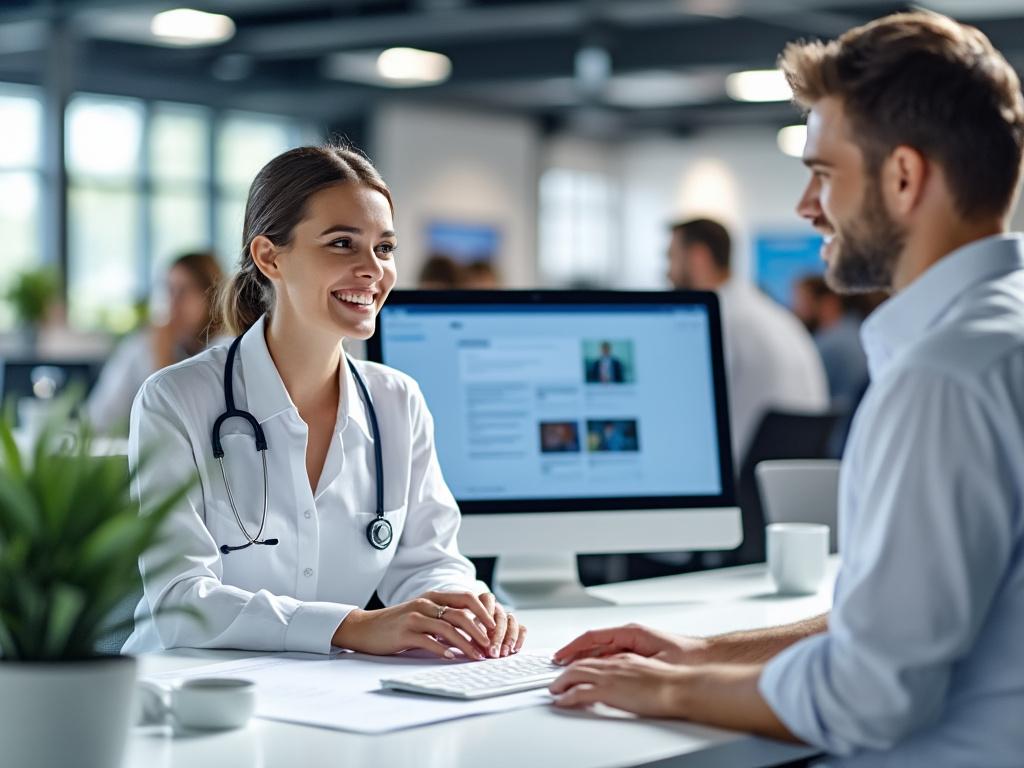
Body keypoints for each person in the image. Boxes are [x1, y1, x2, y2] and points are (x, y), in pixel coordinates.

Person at [551, 11, 1024, 766]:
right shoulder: (998, 337)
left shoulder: (943, 377)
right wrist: (699, 652)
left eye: (824, 173)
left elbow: (869, 694)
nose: (808, 206)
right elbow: (891, 622)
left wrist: (659, 692)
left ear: (904, 177)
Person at [123, 145, 524, 660]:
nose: (372, 270)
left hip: (325, 697)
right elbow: (180, 600)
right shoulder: (176, 400)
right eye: (342, 244)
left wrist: (466, 609)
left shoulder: (396, 401)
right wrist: (351, 627)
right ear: (270, 257)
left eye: (384, 248)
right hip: (186, 697)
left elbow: (429, 562)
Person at [667, 218, 828, 461]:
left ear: (698, 257)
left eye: (671, 257)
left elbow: (684, 413)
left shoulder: (720, 319)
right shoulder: (767, 312)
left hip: (744, 477)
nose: (668, 272)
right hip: (784, 476)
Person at [86, 251, 224, 434]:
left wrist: (163, 362)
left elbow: (192, 428)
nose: (172, 303)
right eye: (169, 290)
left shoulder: (227, 349)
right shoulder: (142, 346)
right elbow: (99, 418)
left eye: (183, 292)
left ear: (211, 295)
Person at [792, 275, 869, 411]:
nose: (796, 309)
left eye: (802, 301)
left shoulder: (830, 344)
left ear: (829, 303)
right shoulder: (859, 331)